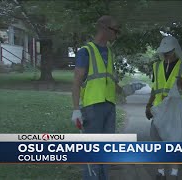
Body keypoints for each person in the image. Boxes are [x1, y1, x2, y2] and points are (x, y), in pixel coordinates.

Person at [71, 15, 121, 180]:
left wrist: (124, 90)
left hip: (109, 106)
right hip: (92, 106)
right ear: (104, 29)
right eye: (115, 30)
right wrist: (76, 110)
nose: (117, 34)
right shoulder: (86, 51)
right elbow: (77, 81)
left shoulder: (110, 52)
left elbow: (108, 79)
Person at [145, 36, 182, 180]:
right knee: (156, 140)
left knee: (174, 142)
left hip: (175, 110)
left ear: (175, 50)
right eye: (164, 52)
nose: (166, 55)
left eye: (168, 52)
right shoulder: (157, 66)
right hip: (159, 109)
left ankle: (174, 174)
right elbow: (155, 88)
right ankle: (160, 172)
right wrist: (149, 105)